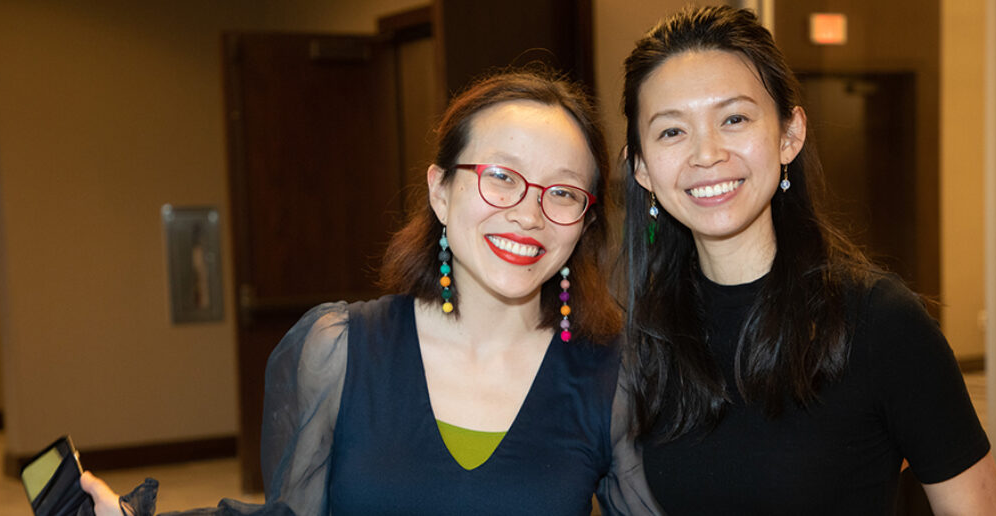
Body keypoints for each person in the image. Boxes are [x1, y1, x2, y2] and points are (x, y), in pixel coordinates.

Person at [81, 68, 656, 515]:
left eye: (563, 192)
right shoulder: (339, 349)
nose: (528, 214)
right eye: (501, 178)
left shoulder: (608, 376)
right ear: (441, 191)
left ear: (584, 221)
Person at [619, 6, 996, 515]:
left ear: (789, 135)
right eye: (672, 131)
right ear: (642, 168)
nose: (706, 153)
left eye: (734, 119)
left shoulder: (879, 321)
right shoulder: (644, 335)